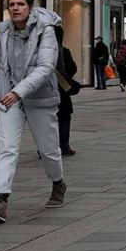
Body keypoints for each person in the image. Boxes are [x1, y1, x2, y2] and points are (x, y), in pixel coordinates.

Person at [0, 0, 67, 224]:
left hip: (39, 98)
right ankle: (1, 201)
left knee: (48, 150)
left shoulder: (45, 30)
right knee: (7, 149)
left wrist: (18, 92)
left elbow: (46, 67)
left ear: (30, 7)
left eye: (20, 4)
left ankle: (58, 183)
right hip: (9, 97)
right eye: (12, 4)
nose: (16, 8)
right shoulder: (3, 32)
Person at [54, 25, 80, 157]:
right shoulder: (64, 51)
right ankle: (64, 146)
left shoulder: (39, 52)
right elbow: (72, 68)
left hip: (45, 92)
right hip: (62, 91)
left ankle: (45, 148)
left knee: (46, 121)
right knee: (64, 118)